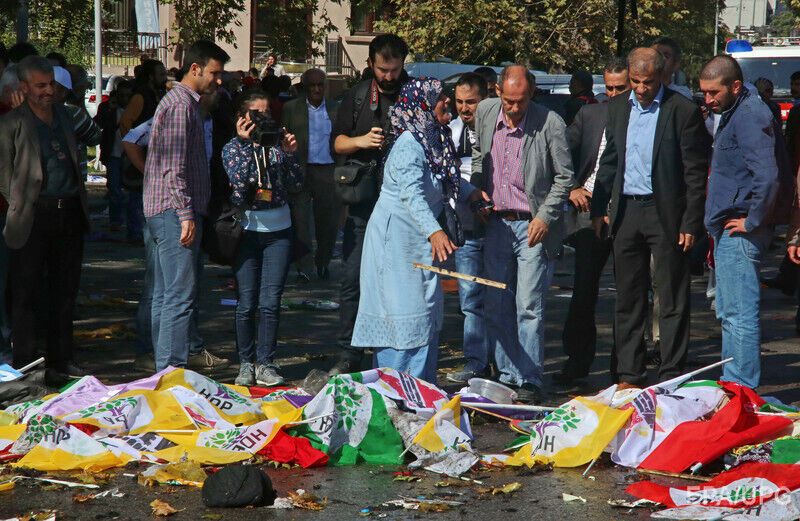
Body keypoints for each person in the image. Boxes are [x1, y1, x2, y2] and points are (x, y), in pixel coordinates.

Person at [351, 78, 488, 381]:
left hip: (419, 241)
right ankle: (394, 390)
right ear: (423, 104)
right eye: (441, 98)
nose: (448, 103)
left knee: (424, 313)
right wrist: (435, 232)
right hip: (395, 243)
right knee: (402, 316)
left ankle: (419, 389)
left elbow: (441, 175)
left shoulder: (433, 138)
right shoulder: (408, 145)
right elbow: (410, 193)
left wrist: (470, 193)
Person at [590, 48, 709, 388]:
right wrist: (600, 209)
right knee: (628, 296)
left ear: (663, 78)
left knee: (671, 296)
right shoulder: (616, 108)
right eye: (635, 82)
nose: (641, 89)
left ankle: (670, 374)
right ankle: (630, 373)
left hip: (666, 213)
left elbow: (695, 174)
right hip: (626, 212)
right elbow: (609, 162)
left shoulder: (682, 111)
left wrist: (690, 222)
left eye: (648, 82)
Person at [472, 65, 575, 403]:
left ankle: (530, 379)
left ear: (531, 94)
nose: (513, 108)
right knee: (496, 301)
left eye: (519, 101)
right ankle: (506, 376)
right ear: (498, 92)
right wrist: (478, 190)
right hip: (497, 224)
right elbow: (478, 155)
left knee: (528, 305)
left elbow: (564, 177)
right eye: (507, 101)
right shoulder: (487, 112)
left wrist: (546, 217)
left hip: (532, 223)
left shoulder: (550, 123)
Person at [0, 56, 91, 378]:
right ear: (24, 88)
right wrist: (20, 204)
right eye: (40, 85)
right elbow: (5, 173)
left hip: (69, 212)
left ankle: (60, 359)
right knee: (25, 293)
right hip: (32, 217)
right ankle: (25, 360)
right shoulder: (12, 122)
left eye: (51, 83)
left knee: (64, 291)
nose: (48, 91)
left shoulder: (66, 117)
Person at [143, 39, 231, 371]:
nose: (218, 80)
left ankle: (165, 371)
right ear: (195, 69)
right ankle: (171, 372)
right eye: (214, 73)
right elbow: (173, 166)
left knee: (166, 296)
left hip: (165, 210)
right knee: (179, 296)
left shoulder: (181, 102)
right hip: (174, 211)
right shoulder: (181, 105)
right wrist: (184, 214)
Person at [328, 34, 411, 375]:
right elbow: (336, 143)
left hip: (404, 207)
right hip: (364, 205)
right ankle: (350, 354)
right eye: (381, 69)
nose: (388, 77)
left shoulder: (417, 95)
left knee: (399, 284)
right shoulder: (359, 95)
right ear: (370, 64)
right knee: (353, 279)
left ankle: (394, 356)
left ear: (404, 63)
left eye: (394, 70)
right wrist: (362, 141)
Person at [699, 56, 779, 389]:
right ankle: (735, 386)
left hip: (739, 231)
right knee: (729, 314)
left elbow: (768, 176)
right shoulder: (733, 110)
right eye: (703, 92)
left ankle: (741, 388)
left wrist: (752, 220)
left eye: (713, 93)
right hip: (728, 228)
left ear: (734, 86)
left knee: (738, 315)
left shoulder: (748, 116)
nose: (708, 100)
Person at [557, 57, 630, 385]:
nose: (614, 95)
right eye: (609, 88)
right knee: (584, 292)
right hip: (590, 214)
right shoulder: (590, 114)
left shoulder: (642, 118)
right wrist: (572, 186)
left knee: (629, 294)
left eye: (621, 88)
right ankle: (577, 363)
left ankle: (624, 370)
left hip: (628, 214)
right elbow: (559, 152)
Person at [223, 90, 302, 386]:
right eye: (256, 114)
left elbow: (296, 184)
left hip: (278, 230)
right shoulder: (232, 147)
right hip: (246, 231)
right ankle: (245, 362)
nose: (263, 119)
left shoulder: (278, 143)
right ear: (243, 118)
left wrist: (291, 155)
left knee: (270, 302)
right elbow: (238, 186)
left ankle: (266, 362)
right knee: (246, 303)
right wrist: (246, 144)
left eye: (267, 113)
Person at [445, 72, 490, 383]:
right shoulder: (448, 131)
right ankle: (476, 361)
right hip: (466, 229)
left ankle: (505, 364)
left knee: (503, 299)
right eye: (459, 101)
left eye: (471, 101)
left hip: (500, 226)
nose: (464, 107)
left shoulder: (499, 129)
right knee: (470, 299)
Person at [281, 68, 339, 280]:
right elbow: (283, 137)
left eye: (320, 85)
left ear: (325, 86)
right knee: (300, 222)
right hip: (300, 170)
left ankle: (323, 263)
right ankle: (304, 267)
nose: (316, 89)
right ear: (304, 87)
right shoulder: (291, 108)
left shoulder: (335, 108)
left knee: (328, 223)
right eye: (311, 85)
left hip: (327, 171)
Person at [96, 80, 135, 234]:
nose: (125, 99)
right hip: (113, 154)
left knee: (131, 191)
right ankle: (115, 220)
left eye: (128, 96)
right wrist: (110, 110)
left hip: (130, 155)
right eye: (122, 96)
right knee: (114, 189)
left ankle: (130, 221)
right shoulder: (108, 108)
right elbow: (98, 123)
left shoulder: (135, 110)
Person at [120, 59, 168, 137]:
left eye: (165, 74)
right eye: (161, 75)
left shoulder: (161, 93)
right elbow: (124, 124)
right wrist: (132, 146)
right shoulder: (140, 97)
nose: (165, 78)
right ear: (151, 77)